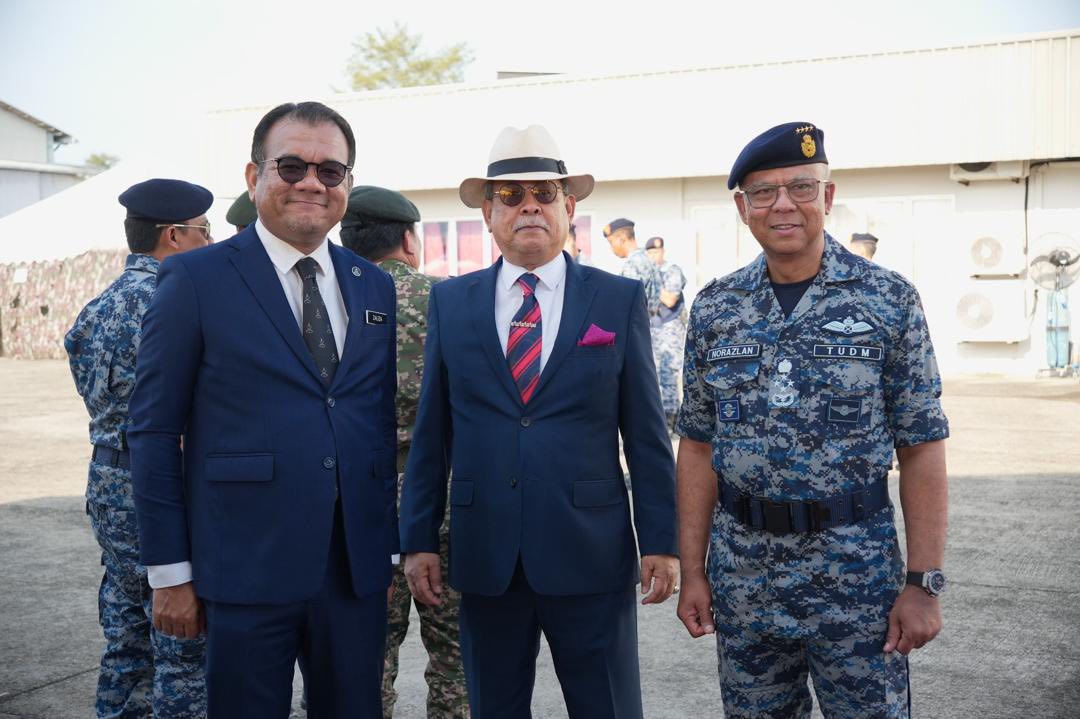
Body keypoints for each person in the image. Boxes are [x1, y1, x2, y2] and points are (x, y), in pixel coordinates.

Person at [128, 101, 399, 719]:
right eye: (292, 166)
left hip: (352, 571)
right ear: (254, 177)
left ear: (347, 184)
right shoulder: (195, 279)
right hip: (244, 566)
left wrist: (383, 550)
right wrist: (170, 571)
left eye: (330, 171)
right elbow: (152, 431)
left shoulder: (372, 283)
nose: (312, 182)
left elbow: (374, 423)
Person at [399, 125, 678, 719]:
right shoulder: (451, 302)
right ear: (487, 213)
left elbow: (646, 433)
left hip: (590, 549)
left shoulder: (616, 299)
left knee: (607, 707)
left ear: (569, 208)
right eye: (509, 195)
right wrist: (418, 538)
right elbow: (432, 433)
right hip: (486, 553)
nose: (528, 206)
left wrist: (661, 540)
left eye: (544, 193)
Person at [675, 121, 949, 718]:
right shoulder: (718, 307)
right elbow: (696, 446)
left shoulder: (888, 300)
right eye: (763, 192)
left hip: (857, 580)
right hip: (744, 581)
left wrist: (923, 582)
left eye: (800, 187)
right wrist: (693, 571)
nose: (783, 205)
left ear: (827, 196)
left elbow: (922, 446)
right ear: (743, 208)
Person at [65, 178, 213, 718]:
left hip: (107, 483)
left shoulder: (95, 308)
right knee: (183, 644)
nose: (210, 241)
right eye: (204, 231)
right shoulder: (175, 302)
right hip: (162, 487)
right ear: (174, 235)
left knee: (126, 635)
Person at [339, 185, 469, 719]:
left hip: (357, 508)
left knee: (364, 658)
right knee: (457, 660)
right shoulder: (449, 300)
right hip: (441, 502)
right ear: (409, 241)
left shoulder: (327, 304)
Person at [644, 236, 688, 430]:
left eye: (657, 251)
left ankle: (672, 417)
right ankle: (661, 417)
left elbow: (670, 300)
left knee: (669, 372)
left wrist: (650, 285)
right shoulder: (648, 272)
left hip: (670, 328)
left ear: (663, 251)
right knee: (653, 374)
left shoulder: (672, 271)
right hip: (652, 327)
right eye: (650, 253)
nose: (654, 256)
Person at [603, 217, 662, 318]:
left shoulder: (632, 265)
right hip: (652, 322)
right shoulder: (649, 258)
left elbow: (626, 304)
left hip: (636, 323)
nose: (611, 248)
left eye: (611, 242)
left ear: (621, 240)